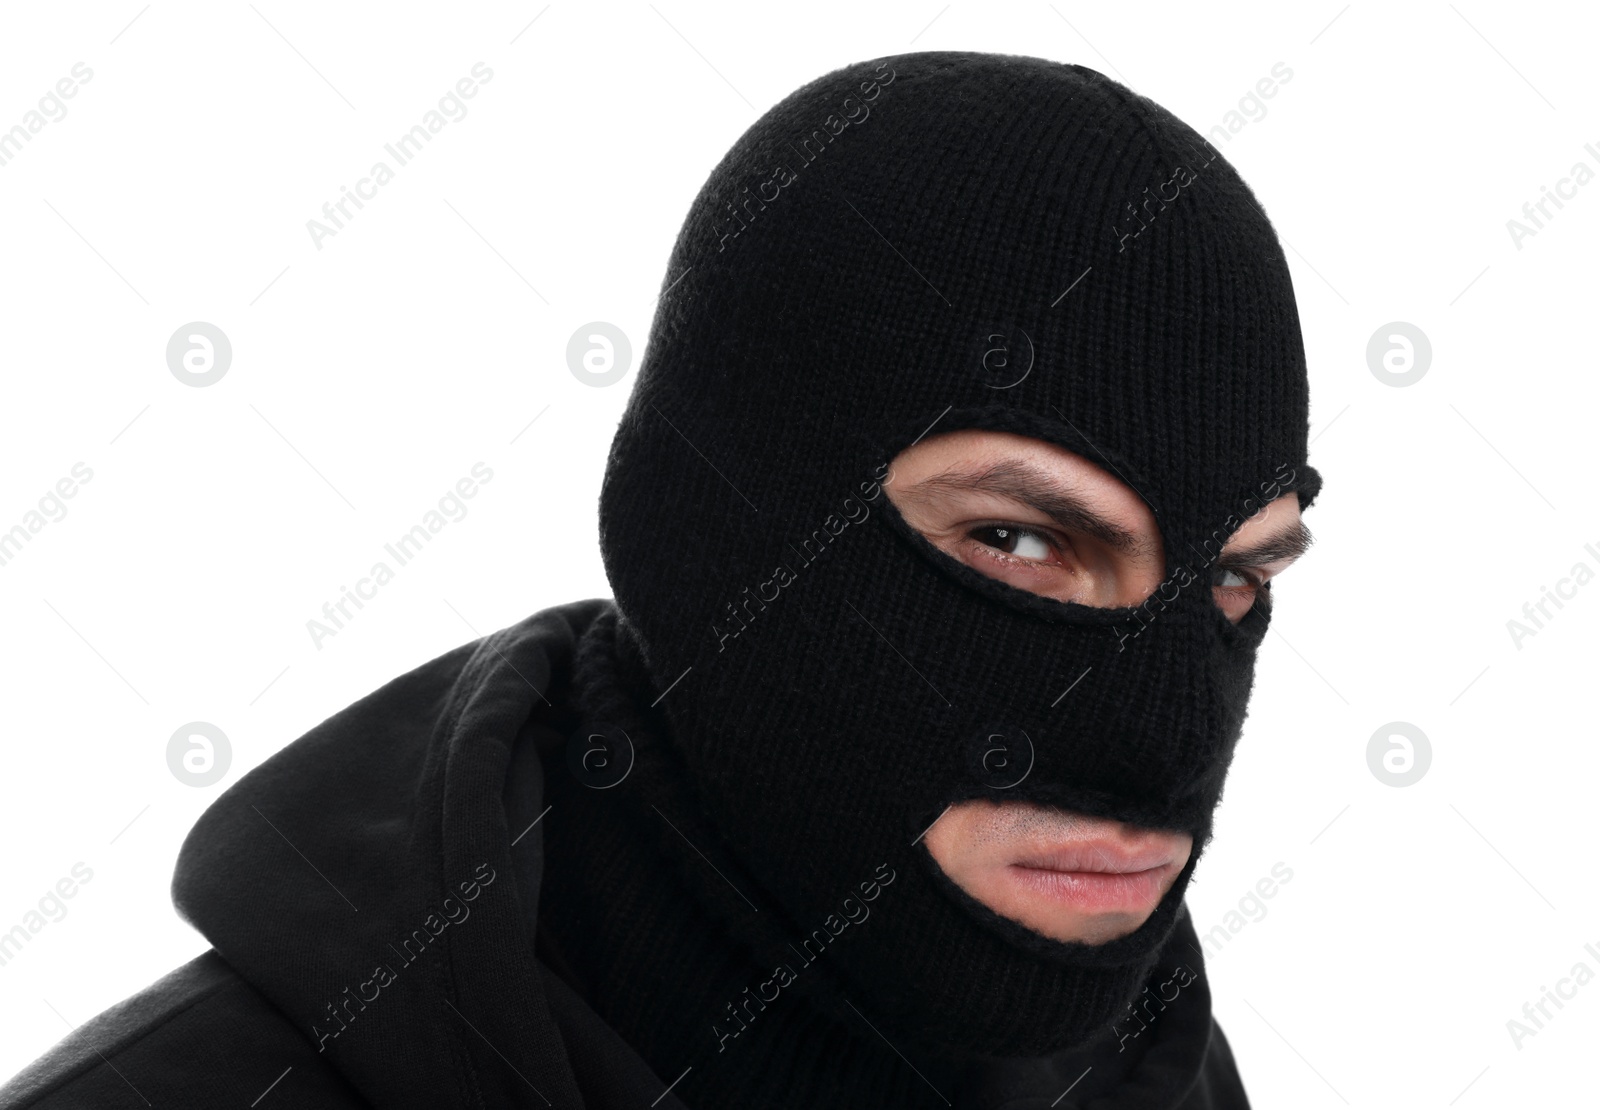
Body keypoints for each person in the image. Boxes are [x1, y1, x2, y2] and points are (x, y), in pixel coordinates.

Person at [0, 50, 1320, 1109]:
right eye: (1020, 541)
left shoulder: (1151, 1071)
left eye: (1233, 578)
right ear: (717, 532)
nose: (1166, 744)